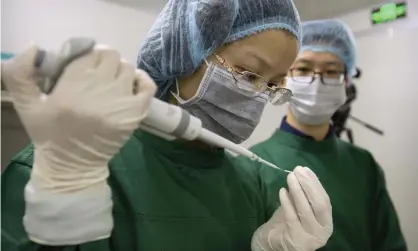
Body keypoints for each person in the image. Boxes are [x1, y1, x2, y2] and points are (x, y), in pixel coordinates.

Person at [1, 0, 334, 251]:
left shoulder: (253, 183)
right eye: (248, 74)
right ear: (186, 54)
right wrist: (58, 205)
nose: (259, 96)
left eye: (273, 85)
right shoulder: (66, 166)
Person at [238, 19, 407, 250]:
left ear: (346, 82)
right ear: (284, 78)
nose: (316, 81)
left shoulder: (363, 165)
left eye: (331, 71)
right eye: (304, 69)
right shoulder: (251, 165)